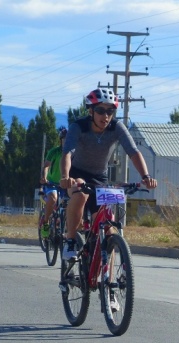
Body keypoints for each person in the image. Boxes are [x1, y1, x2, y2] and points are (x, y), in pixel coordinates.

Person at [60, 88, 157, 262]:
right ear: (91, 111)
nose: (105, 116)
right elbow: (67, 153)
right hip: (77, 174)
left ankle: (108, 279)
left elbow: (133, 152)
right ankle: (71, 240)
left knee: (108, 227)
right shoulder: (78, 126)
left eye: (110, 111)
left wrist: (145, 177)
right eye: (100, 111)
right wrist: (66, 176)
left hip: (99, 178)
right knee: (80, 193)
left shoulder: (116, 126)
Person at [39, 126, 67, 238]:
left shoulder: (74, 153)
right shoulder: (54, 152)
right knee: (53, 198)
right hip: (52, 183)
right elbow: (46, 166)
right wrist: (45, 177)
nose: (66, 141)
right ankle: (45, 223)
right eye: (64, 139)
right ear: (61, 140)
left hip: (66, 185)